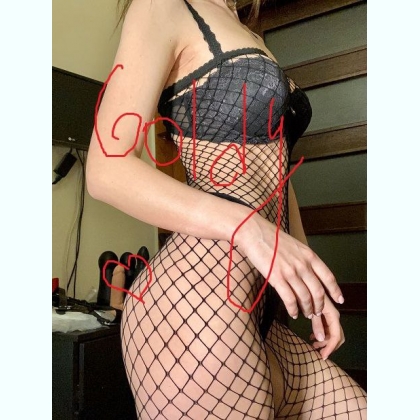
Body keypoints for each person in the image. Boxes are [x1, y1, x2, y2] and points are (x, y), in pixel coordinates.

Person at [86, 0, 367, 418]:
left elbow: (276, 172)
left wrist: (311, 279)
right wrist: (248, 226)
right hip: (198, 301)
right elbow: (106, 169)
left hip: (256, 313)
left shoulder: (245, 28)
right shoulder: (163, 6)